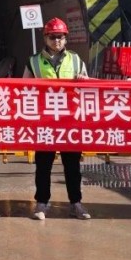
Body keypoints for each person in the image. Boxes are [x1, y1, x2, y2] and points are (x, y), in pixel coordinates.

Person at [24, 18, 92, 221]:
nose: (57, 41)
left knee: (72, 166)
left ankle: (76, 203)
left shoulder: (76, 60)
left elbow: (87, 88)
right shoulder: (33, 62)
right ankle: (41, 203)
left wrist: (83, 81)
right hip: (45, 122)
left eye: (60, 37)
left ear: (66, 38)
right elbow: (23, 89)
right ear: (45, 38)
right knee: (43, 165)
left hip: (69, 122)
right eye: (53, 37)